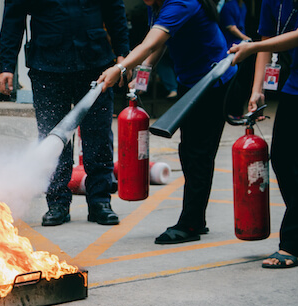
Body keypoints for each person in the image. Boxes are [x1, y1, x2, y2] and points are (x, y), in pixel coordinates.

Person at [98, 0, 237, 244]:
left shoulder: (181, 3)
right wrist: (146, 69)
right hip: (192, 80)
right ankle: (197, 218)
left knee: (198, 153)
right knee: (189, 151)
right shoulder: (158, 5)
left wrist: (119, 68)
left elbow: (150, 42)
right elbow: (160, 43)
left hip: (212, 82)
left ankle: (190, 224)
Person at [0, 0, 130, 227]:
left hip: (95, 61)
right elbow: (13, 17)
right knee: (53, 138)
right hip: (47, 64)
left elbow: (114, 9)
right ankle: (57, 203)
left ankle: (100, 201)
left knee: (98, 136)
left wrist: (122, 53)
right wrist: (6, 65)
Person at [229, 0, 298, 268]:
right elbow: (267, 40)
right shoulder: (271, 2)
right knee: (281, 160)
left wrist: (252, 47)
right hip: (297, 83)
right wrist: (257, 89)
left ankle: (293, 244)